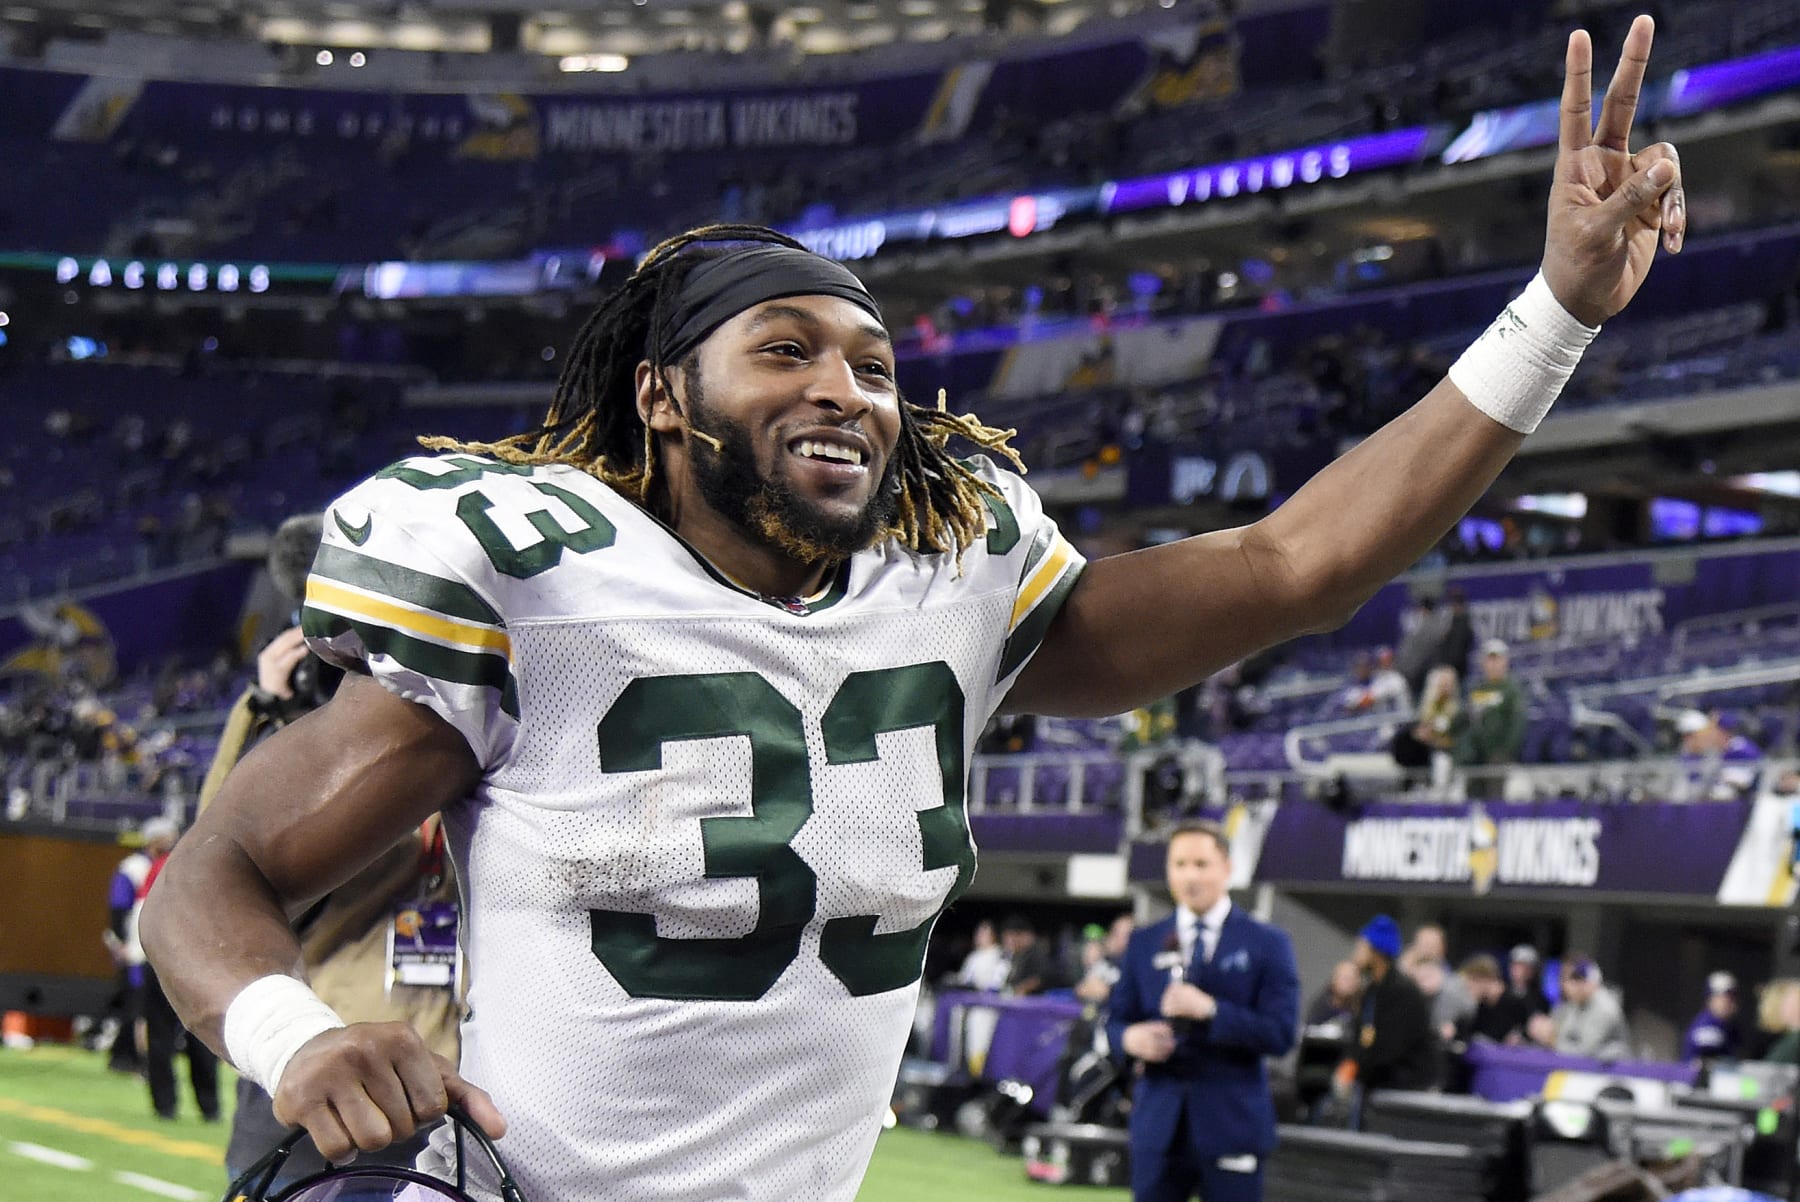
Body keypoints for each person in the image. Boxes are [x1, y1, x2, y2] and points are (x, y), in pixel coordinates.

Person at [142, 23, 1688, 1197]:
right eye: (786, 349)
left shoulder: (951, 582)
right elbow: (213, 872)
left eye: (873, 364)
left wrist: (1556, 311)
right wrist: (293, 1034)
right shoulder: (545, 585)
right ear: (663, 396)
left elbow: (1296, 565)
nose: (846, 387)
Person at [203, 517, 465, 1192]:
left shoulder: (465, 710)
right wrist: (270, 711)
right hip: (324, 1047)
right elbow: (215, 869)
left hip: (447, 1060)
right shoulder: (284, 721)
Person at [1106, 821, 1299, 1202]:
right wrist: (1129, 1039)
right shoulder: (1144, 942)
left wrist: (1211, 1010)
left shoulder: (1267, 943)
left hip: (1232, 1124)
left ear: (1227, 867)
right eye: (1179, 864)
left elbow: (1280, 1033)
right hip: (1158, 1128)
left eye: (1201, 864)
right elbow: (1114, 1022)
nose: (1189, 876)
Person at [138, 820, 221, 1121]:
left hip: (162, 958)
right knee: (203, 1035)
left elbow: (143, 913)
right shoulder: (211, 868)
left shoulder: (160, 867)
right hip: (200, 961)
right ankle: (209, 1107)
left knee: (160, 1036)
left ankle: (165, 1106)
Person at [100, 816, 178, 1074]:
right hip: (137, 945)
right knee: (138, 1004)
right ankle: (132, 1058)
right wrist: (121, 942)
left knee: (144, 1007)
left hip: (160, 946)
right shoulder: (133, 867)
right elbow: (119, 907)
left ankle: (126, 1056)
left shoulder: (168, 864)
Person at [1337, 915, 1438, 1097]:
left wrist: (1357, 1068)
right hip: (1378, 1084)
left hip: (1404, 1090)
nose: (1356, 953)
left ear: (1376, 953)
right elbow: (1362, 1034)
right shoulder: (1373, 990)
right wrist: (1350, 1063)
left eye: (1361, 947)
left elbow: (1390, 1048)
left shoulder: (1403, 992)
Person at [1528, 955, 1631, 1060]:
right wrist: (1544, 1030)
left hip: (1609, 1069)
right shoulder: (1574, 1003)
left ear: (1584, 982)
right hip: (1582, 1067)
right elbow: (1562, 1033)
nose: (1564, 985)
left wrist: (1552, 1040)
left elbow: (1584, 1053)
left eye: (1566, 979)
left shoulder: (1604, 1009)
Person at [1459, 639, 1528, 772]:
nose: (1493, 664)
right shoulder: (1477, 689)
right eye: (1489, 660)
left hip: (1499, 755)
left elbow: (1517, 723)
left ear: (1505, 662)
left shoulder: (1512, 690)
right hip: (1475, 755)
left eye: (1497, 659)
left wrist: (1505, 751)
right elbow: (1467, 719)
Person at [1453, 954, 1531, 1045]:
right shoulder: (1480, 1006)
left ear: (1485, 979)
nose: (1469, 989)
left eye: (1472, 983)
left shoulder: (1516, 1003)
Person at [1682, 971, 1741, 1062]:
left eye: (1733, 997)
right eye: (1726, 997)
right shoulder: (1706, 1024)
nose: (1730, 1002)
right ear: (1711, 999)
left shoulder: (1730, 1027)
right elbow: (1707, 1063)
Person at [1002, 916, 1063, 996]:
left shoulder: (1036, 952)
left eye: (1013, 936)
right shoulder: (1017, 954)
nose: (1010, 941)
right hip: (1020, 997)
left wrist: (1022, 988)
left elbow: (1041, 977)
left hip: (1040, 998)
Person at [954, 919, 1010, 992]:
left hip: (990, 995)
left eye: (984, 933)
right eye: (979, 933)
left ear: (993, 935)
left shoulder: (1001, 954)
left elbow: (998, 981)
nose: (980, 936)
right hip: (971, 993)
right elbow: (964, 978)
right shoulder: (973, 956)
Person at [1305, 960, 1362, 1029]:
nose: (1348, 983)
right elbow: (1309, 1027)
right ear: (1334, 979)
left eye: (1352, 979)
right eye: (1344, 978)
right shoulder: (1321, 1003)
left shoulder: (1361, 1003)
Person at [1507, 944, 1551, 1017]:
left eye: (1525, 966)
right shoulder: (1501, 992)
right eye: (1516, 965)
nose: (1520, 970)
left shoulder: (1539, 1000)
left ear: (1533, 971)